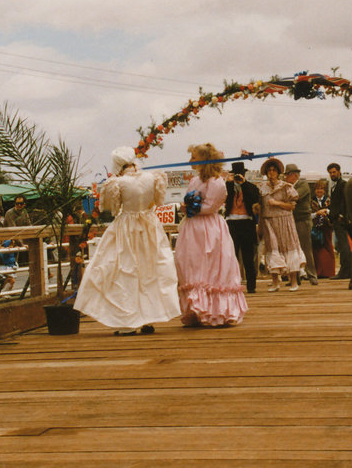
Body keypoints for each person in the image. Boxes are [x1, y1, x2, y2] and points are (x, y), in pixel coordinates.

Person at [74, 147, 180, 336]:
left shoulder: (117, 183)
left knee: (125, 271)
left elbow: (109, 207)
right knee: (149, 272)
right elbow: (156, 201)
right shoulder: (153, 177)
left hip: (126, 228)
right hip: (149, 227)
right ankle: (148, 318)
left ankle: (128, 321)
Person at [175, 143, 248, 326]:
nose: (190, 161)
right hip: (193, 228)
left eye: (194, 157)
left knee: (213, 266)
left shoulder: (217, 182)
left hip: (209, 228)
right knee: (192, 264)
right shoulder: (195, 180)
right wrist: (186, 207)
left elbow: (210, 207)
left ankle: (216, 310)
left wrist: (191, 207)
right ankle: (197, 308)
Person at [258, 157, 304, 291]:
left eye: (274, 170)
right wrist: (260, 225)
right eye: (269, 170)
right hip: (269, 222)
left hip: (284, 221)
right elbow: (261, 208)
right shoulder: (262, 188)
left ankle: (294, 281)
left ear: (278, 172)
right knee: (272, 250)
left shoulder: (286, 187)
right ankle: (275, 282)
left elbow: (291, 206)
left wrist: (277, 203)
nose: (271, 173)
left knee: (289, 248)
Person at [224, 162, 260, 294]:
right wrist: (229, 182)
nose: (238, 177)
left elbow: (254, 198)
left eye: (241, 174)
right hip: (232, 222)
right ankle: (232, 284)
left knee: (248, 257)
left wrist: (244, 184)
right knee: (231, 256)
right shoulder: (228, 187)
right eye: (236, 174)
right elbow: (221, 196)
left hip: (246, 222)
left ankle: (251, 286)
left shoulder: (251, 187)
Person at [284, 163, 318, 285]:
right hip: (291, 220)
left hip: (302, 220)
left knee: (306, 248)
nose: (285, 178)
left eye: (287, 175)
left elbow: (295, 196)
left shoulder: (303, 184)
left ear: (293, 175)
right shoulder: (288, 186)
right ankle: (295, 277)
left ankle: (312, 275)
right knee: (292, 250)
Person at [327, 163, 352, 280]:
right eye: (330, 173)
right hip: (336, 219)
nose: (332, 174)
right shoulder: (335, 185)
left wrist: (341, 215)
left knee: (344, 246)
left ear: (339, 172)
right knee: (342, 246)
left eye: (334, 172)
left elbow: (346, 202)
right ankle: (347, 270)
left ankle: (345, 271)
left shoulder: (343, 185)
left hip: (341, 220)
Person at [310, 179, 335, 279]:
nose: (319, 191)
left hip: (326, 227)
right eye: (317, 188)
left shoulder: (329, 199)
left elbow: (333, 211)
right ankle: (318, 271)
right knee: (316, 249)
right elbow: (308, 214)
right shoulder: (310, 200)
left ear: (324, 190)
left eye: (321, 188)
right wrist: (317, 213)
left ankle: (328, 272)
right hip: (315, 228)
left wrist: (326, 211)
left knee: (328, 247)